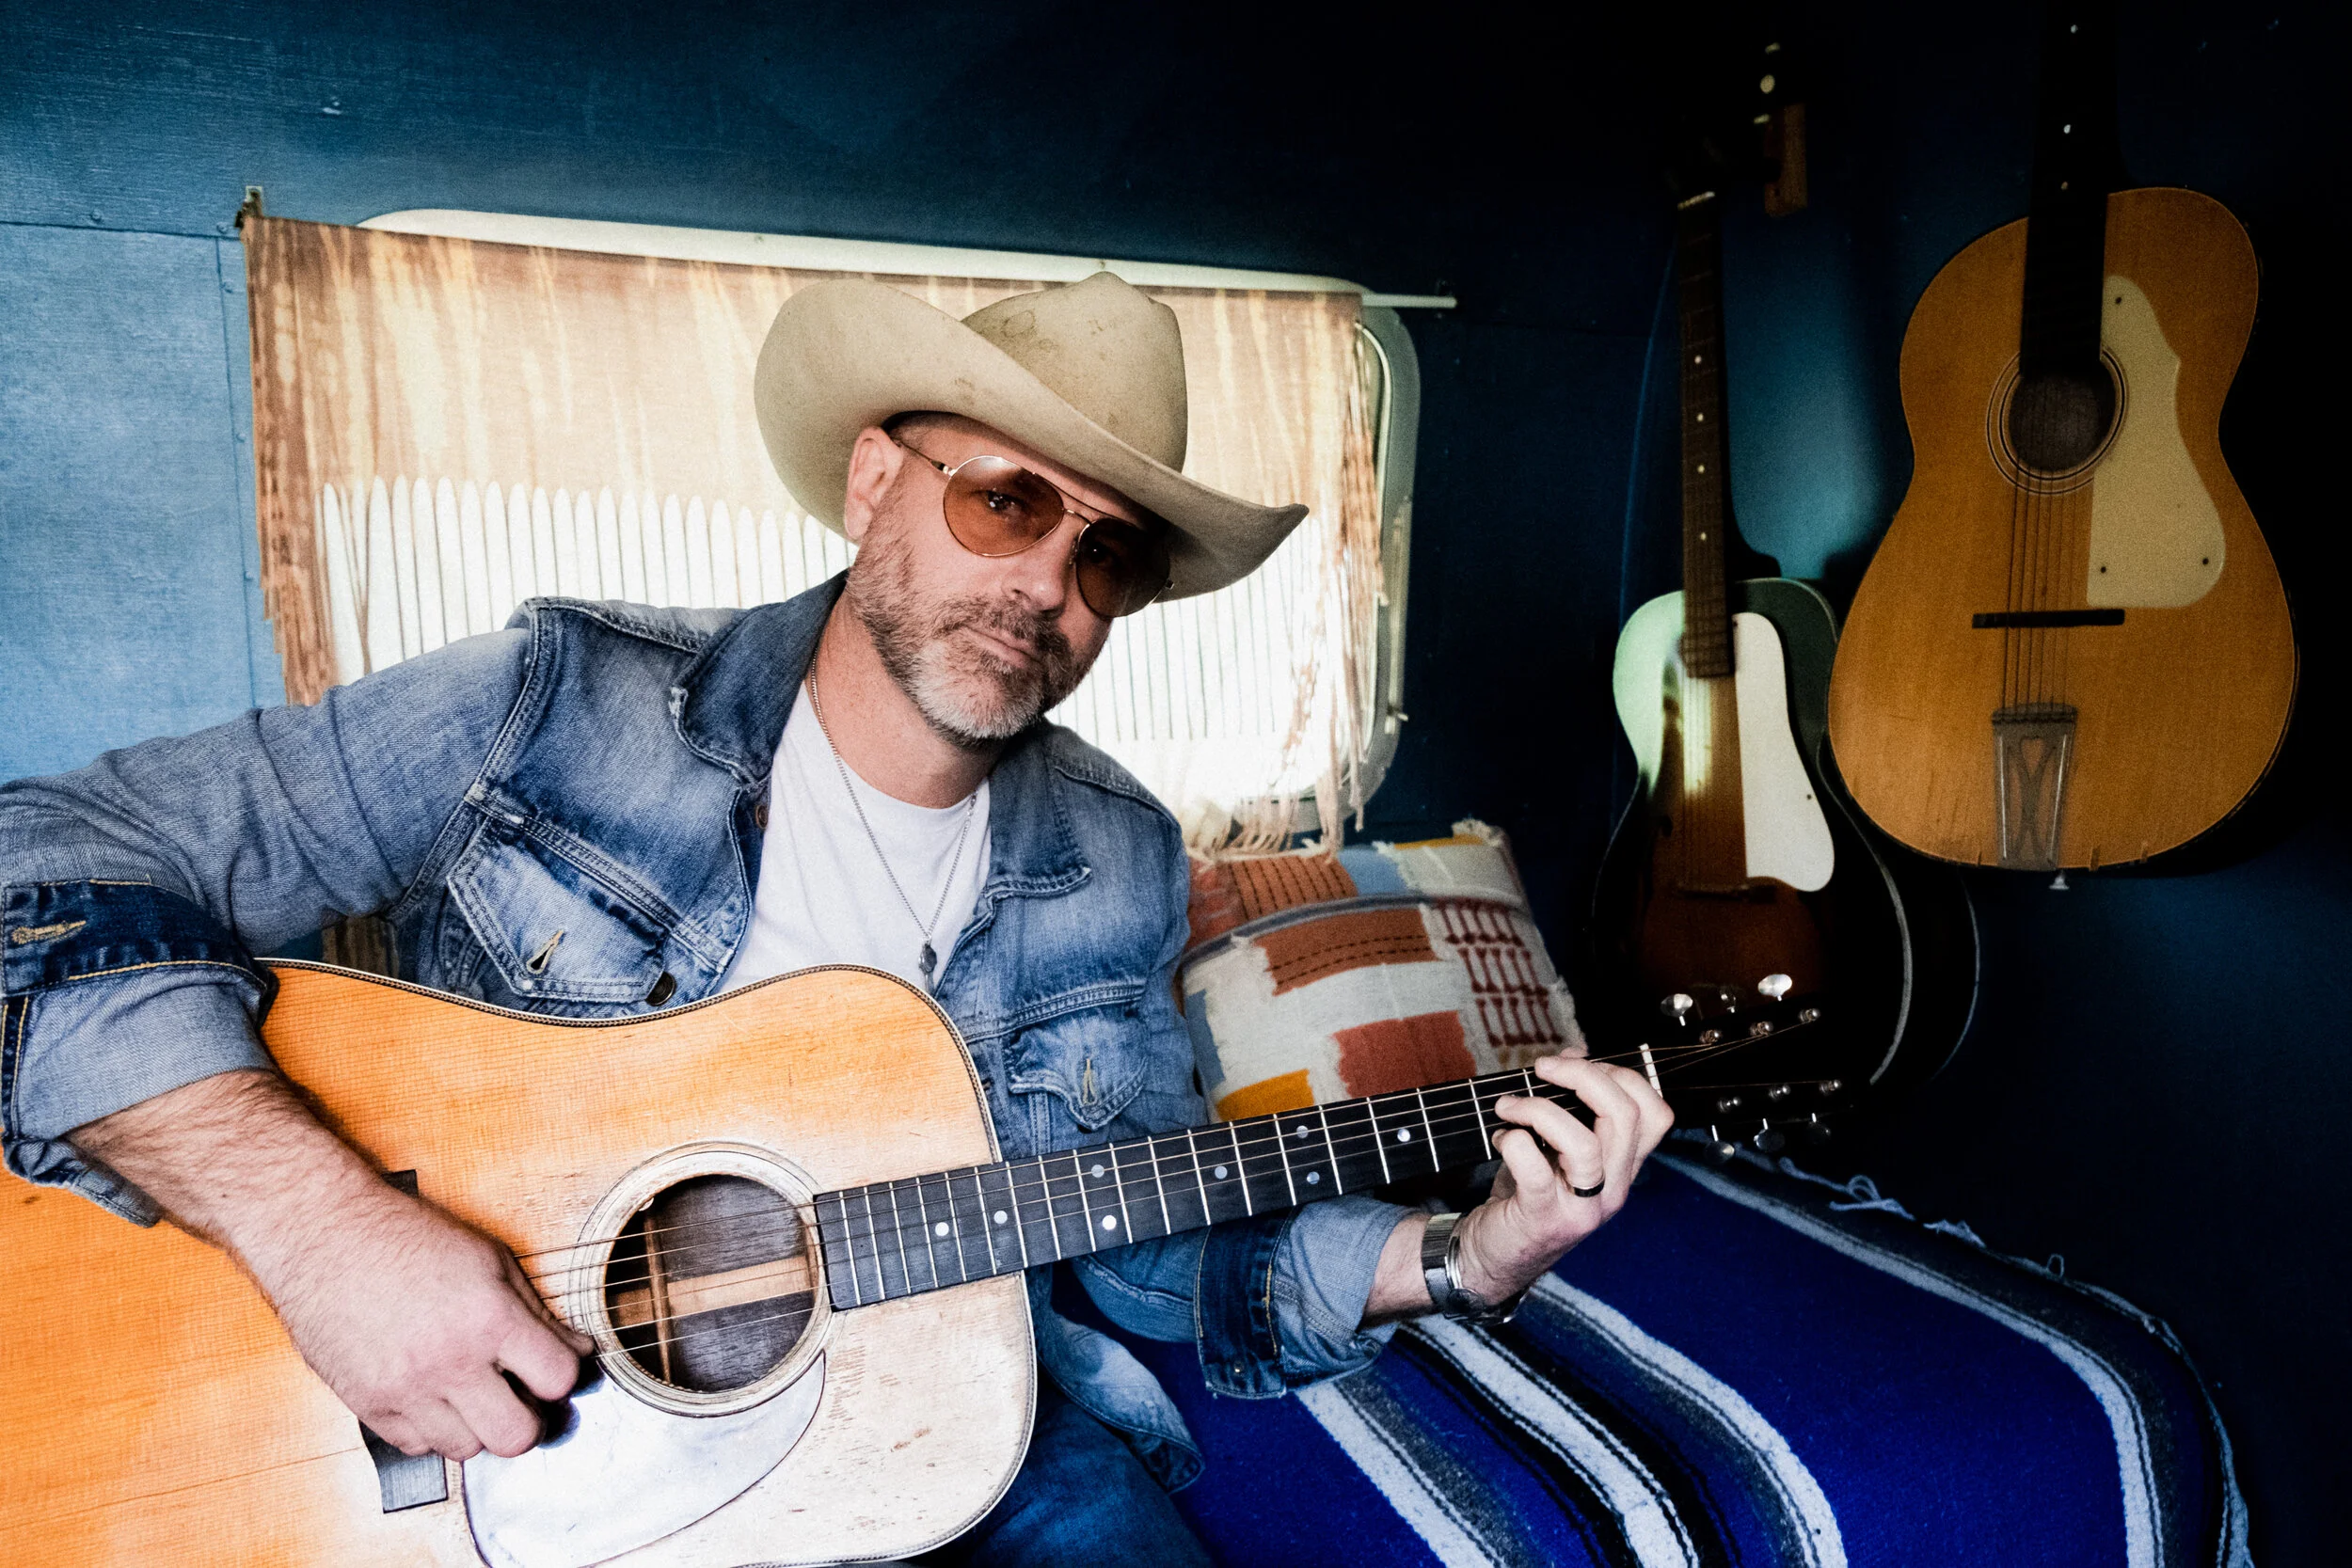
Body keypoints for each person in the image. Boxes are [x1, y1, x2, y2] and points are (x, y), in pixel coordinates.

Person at [0, 271, 1672, 1564]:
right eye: (1007, 502)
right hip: (506, 1466)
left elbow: (1157, 1257)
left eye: (1109, 560)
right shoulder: (553, 701)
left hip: (966, 1433)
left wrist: (1466, 1253)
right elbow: (41, 858)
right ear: (877, 478)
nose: (1048, 587)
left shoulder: (1118, 854)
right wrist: (327, 1236)